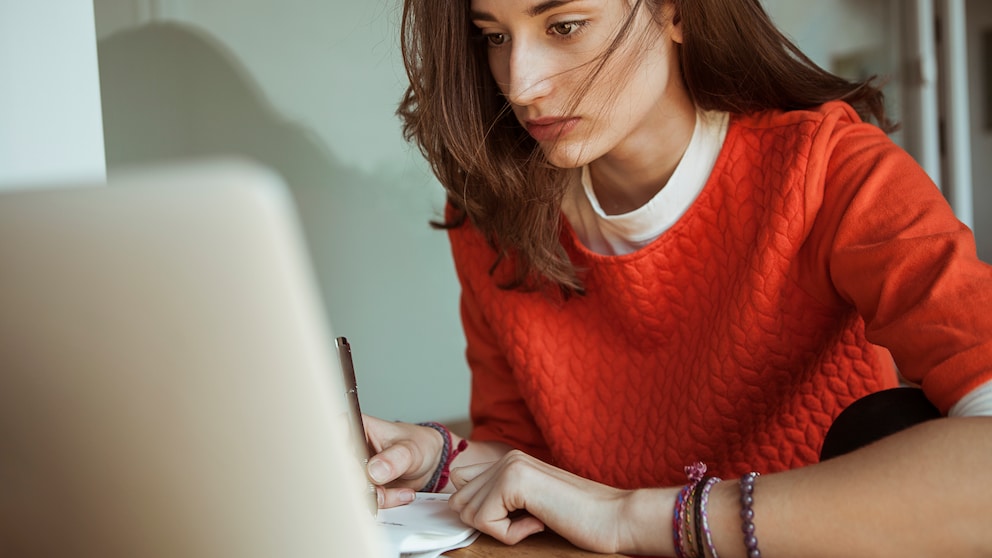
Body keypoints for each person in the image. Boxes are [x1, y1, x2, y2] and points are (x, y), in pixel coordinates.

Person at [363, 0, 992, 556]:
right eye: (494, 36)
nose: (522, 85)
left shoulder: (833, 173)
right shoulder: (489, 217)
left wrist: (630, 517)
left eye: (565, 25)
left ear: (676, 10)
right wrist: (438, 458)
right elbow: (530, 464)